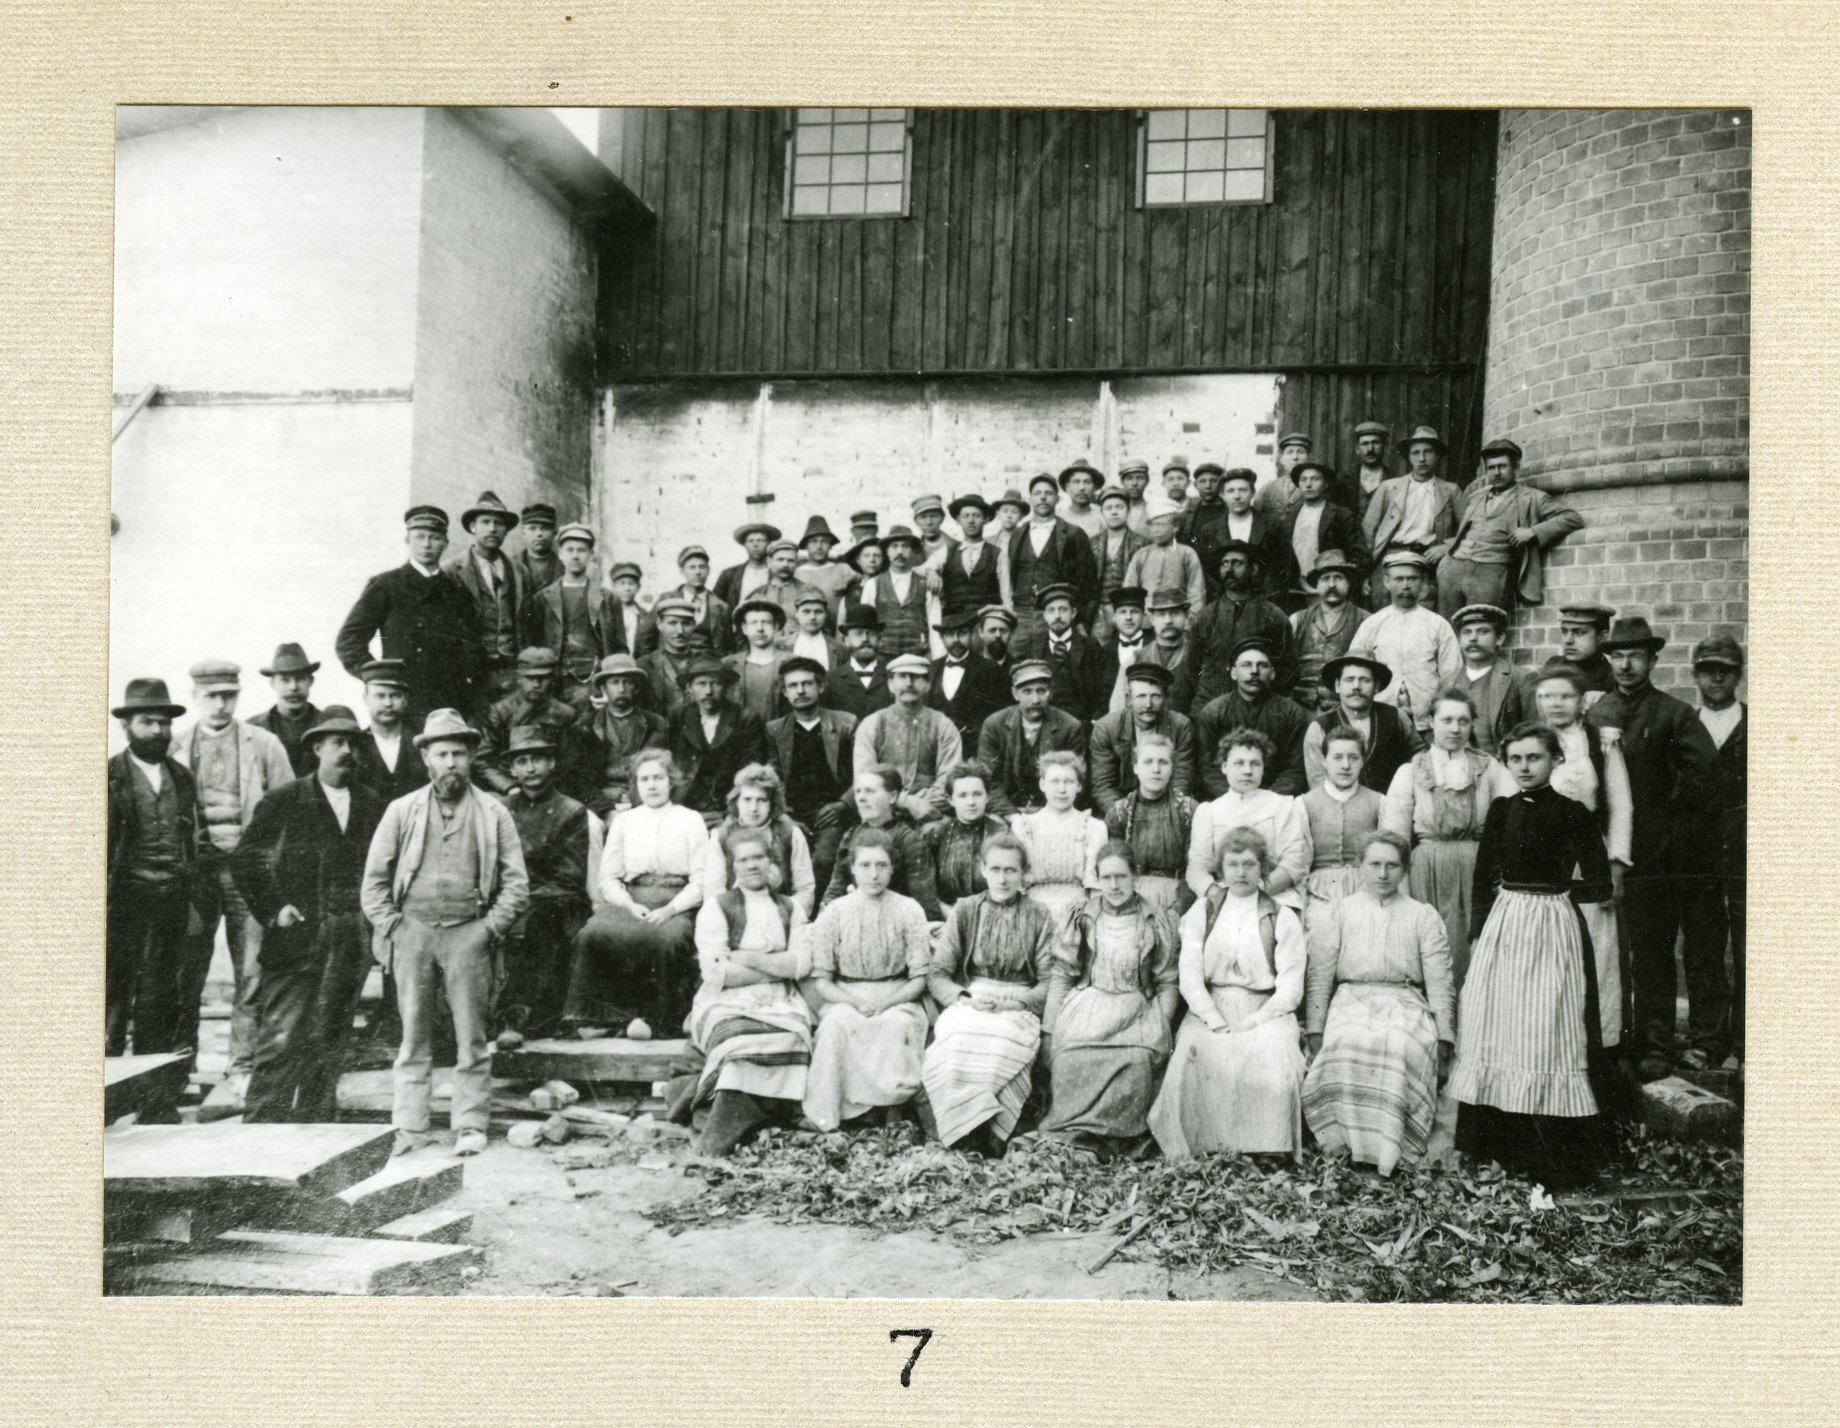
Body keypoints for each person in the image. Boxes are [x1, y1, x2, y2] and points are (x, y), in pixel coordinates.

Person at [1450, 722, 1617, 1189]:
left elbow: (1602, 882)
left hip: (1551, 928)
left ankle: (1550, 1154)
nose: (1525, 767)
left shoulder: (1574, 813)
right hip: (1506, 928)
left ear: (1555, 760)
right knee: (1499, 1024)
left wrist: (1557, 890)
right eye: (1516, 759)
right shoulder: (1501, 811)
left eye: (1534, 758)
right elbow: (1484, 875)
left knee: (1547, 1026)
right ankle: (1497, 1146)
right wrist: (1482, 932)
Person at [360, 708, 529, 1157]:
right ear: (427, 760)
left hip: (468, 933)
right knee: (413, 1035)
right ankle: (409, 1127)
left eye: (459, 753)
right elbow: (373, 882)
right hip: (412, 931)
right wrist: (394, 926)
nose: (451, 762)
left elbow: (516, 885)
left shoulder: (494, 813)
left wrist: (488, 928)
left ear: (472, 757)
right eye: (442, 754)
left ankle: (470, 1123)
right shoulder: (401, 811)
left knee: (471, 1036)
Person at [231, 707, 386, 1122]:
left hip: (350, 942)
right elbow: (245, 860)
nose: (347, 751)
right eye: (338, 742)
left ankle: (316, 1130)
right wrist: (273, 908)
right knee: (280, 1040)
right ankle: (262, 1133)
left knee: (330, 1039)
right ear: (317, 747)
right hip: (296, 942)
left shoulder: (372, 805)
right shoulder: (286, 799)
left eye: (354, 743)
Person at [1586, 615, 1724, 1077]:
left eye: (1635, 656)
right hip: (1617, 856)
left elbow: (1704, 777)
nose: (1625, 664)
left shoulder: (1673, 713)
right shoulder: (1597, 714)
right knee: (1627, 952)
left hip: (1669, 856)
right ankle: (1630, 1041)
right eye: (1617, 655)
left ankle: (1662, 1046)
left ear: (1652, 660)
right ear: (1608, 659)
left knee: (1665, 951)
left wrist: (1663, 823)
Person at [173, 659, 296, 1103]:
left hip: (250, 873)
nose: (222, 704)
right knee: (189, 968)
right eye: (212, 696)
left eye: (230, 695)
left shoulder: (263, 745)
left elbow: (288, 812)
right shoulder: (176, 747)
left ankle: (242, 1067)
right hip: (198, 876)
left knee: (253, 971)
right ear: (196, 697)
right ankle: (178, 1068)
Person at [1301, 830, 1454, 1175]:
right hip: (1351, 998)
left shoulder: (1422, 915)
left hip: (1405, 1001)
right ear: (1360, 867)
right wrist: (1315, 1028)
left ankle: (1392, 1151)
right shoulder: (1339, 912)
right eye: (1374, 865)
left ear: (1404, 870)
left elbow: (1440, 981)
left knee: (1399, 1045)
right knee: (1345, 1042)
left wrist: (1445, 1036)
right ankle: (1345, 1146)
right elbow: (1320, 976)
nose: (1383, 874)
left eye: (1392, 865)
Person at [1149, 826, 1307, 1159]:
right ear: (1221, 868)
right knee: (1194, 1051)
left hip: (1265, 1007)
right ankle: (1201, 1146)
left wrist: (1256, 1021)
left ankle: (1264, 1148)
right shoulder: (1203, 910)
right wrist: (1212, 1018)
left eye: (1249, 864)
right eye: (1233, 864)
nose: (1241, 872)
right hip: (1211, 1004)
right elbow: (1189, 973)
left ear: (1262, 868)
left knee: (1274, 1057)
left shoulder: (1280, 916)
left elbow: (1291, 986)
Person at [922, 833, 1058, 1159]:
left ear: (1024, 874)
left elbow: (1048, 980)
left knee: (1000, 1047)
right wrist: (963, 997)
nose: (1002, 878)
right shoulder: (966, 909)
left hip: (1017, 1003)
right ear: (983, 869)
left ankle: (991, 1132)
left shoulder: (1038, 914)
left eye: (1011, 870)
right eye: (995, 869)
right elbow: (938, 972)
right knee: (954, 1042)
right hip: (972, 998)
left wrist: (1016, 1003)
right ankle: (963, 1131)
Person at [681, 829, 814, 1155]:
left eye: (758, 857)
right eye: (743, 859)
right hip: (725, 996)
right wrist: (772, 965)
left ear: (771, 861)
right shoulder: (717, 908)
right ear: (732, 866)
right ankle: (727, 1122)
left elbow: (800, 964)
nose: (752, 865)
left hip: (779, 995)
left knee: (794, 1034)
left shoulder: (790, 908)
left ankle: (780, 1112)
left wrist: (749, 958)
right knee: (737, 1042)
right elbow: (716, 972)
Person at [1041, 842, 1181, 1148]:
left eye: (1121, 876)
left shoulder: (1154, 920)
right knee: (1070, 1055)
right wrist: (1049, 1029)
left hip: (1136, 1008)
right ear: (1097, 879)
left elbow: (1168, 982)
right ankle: (1077, 1132)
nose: (1114, 885)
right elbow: (1062, 975)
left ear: (1135, 876)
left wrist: (1160, 1020)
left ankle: (1119, 1137)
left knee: (1139, 1058)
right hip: (1089, 1003)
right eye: (1106, 878)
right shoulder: (1082, 916)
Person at [563, 747, 708, 1042]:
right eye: (644, 780)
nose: (652, 785)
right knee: (593, 934)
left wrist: (670, 910)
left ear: (672, 782)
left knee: (663, 939)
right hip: (632, 897)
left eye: (658, 778)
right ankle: (599, 1018)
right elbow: (608, 878)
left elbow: (701, 880)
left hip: (675, 898)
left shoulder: (690, 819)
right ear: (636, 785)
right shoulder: (624, 822)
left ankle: (652, 1019)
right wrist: (628, 904)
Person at [107, 678, 203, 1118]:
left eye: (164, 723)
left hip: (169, 901)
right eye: (148, 721)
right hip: (122, 900)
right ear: (128, 725)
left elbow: (191, 841)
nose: (158, 731)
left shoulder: (182, 777)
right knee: (112, 996)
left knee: (160, 998)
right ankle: (102, 1100)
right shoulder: (108, 775)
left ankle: (153, 1101)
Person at [1382, 687, 1517, 988]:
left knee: (1478, 950)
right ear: (1430, 721)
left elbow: (1512, 823)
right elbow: (1395, 837)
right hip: (1427, 870)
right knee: (1433, 949)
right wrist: (1399, 890)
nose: (1456, 729)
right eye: (1447, 720)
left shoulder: (1490, 768)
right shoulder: (1410, 771)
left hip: (1479, 870)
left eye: (1463, 721)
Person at [802, 829, 934, 1131]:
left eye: (881, 866)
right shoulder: (834, 913)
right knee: (837, 1026)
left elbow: (919, 978)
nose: (873, 874)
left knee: (896, 1026)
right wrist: (853, 1001)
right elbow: (822, 980)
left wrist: (888, 1002)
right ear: (852, 868)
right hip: (846, 993)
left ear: (892, 868)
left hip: (899, 994)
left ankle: (890, 1109)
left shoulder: (908, 909)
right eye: (865, 866)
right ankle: (836, 1114)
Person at [1531, 660, 1632, 1052]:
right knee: (1544, 952)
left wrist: (1616, 868)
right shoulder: (1528, 741)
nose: (1555, 704)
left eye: (1564, 696)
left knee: (1595, 953)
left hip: (1589, 858)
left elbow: (1621, 806)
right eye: (1546, 696)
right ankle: (1548, 1045)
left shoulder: (1599, 741)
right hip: (1540, 862)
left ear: (1581, 701)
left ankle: (1598, 1050)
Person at [493, 725, 600, 1052]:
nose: (530, 767)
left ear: (551, 764)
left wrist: (519, 903)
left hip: (556, 901)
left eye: (538, 759)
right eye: (522, 761)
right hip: (510, 898)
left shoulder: (571, 811)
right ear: (512, 769)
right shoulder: (501, 809)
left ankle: (519, 1017)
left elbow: (567, 877)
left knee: (541, 924)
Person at [336, 505, 484, 726]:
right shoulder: (387, 585)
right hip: (403, 703)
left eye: (434, 538)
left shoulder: (456, 591)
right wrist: (381, 679)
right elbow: (349, 643)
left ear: (445, 543)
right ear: (407, 541)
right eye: (419, 537)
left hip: (448, 705)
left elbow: (472, 647)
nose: (426, 544)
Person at [1439, 437, 1584, 614]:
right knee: (1448, 628)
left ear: (1516, 468)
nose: (1497, 473)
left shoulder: (1532, 498)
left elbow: (1572, 517)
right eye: (1491, 468)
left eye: (1502, 466)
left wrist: (1532, 532)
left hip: (1490, 572)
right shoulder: (1475, 499)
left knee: (1482, 626)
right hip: (1453, 569)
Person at [1689, 635, 1746, 1065]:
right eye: (1708, 669)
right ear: (1695, 676)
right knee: (1705, 945)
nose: (1716, 677)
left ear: (1738, 675)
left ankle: (1746, 1041)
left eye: (1724, 669)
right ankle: (1708, 1039)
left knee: (1751, 945)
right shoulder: (1684, 725)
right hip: (1701, 850)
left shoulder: (1756, 724)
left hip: (1748, 846)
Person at [1186, 728, 1311, 910]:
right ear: (1224, 767)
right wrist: (1216, 894)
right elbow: (1197, 867)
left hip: (1273, 895)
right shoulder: (1209, 812)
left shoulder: (1283, 806)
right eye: (1239, 763)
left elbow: (1293, 864)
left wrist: (1255, 893)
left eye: (1255, 764)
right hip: (1222, 898)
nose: (1247, 771)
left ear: (1263, 768)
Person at [765, 657, 856, 891]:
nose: (801, 690)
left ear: (821, 687)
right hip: (791, 814)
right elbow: (771, 780)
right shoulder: (775, 730)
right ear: (785, 692)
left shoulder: (845, 723)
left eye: (807, 683)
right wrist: (784, 815)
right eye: (793, 686)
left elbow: (861, 771)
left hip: (832, 813)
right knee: (781, 864)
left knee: (824, 861)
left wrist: (843, 805)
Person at [1348, 551, 1462, 733]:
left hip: (1428, 724)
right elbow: (1355, 672)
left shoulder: (1438, 625)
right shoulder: (1372, 624)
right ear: (1386, 581)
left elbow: (1452, 676)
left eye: (1412, 579)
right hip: (1380, 722)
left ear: (1422, 582)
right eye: (1399, 579)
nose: (1406, 585)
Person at [819, 766, 943, 920]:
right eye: (858, 791)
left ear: (892, 797)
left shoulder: (909, 840)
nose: (861, 798)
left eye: (870, 791)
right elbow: (835, 889)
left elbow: (925, 905)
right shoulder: (851, 836)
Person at [1298, 724, 1390, 930]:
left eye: (1353, 758)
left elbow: (1388, 855)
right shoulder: (1304, 804)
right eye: (1337, 757)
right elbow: (1299, 863)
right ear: (1324, 761)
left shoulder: (1379, 802)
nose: (1346, 765)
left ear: (1362, 761)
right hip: (1319, 893)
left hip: (1367, 889)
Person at [1193, 638, 1311, 798]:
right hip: (1228, 801)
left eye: (1262, 665)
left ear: (1273, 673)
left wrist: (1266, 801)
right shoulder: (1214, 712)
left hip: (1274, 802)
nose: (1254, 671)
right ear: (1233, 672)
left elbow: (1295, 768)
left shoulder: (1293, 714)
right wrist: (1235, 799)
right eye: (1246, 665)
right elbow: (1208, 769)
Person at [1189, 540, 1298, 709]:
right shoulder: (1204, 617)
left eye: (1237, 563)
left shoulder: (1273, 616)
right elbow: (1191, 668)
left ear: (1253, 569)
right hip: (1210, 707)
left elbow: (1288, 667)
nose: (1229, 569)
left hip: (1257, 706)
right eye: (1224, 564)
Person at [853, 653, 960, 822]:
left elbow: (949, 781)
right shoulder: (872, 724)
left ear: (928, 684)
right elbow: (864, 780)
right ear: (890, 684)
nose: (909, 683)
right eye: (902, 676)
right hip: (882, 814)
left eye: (916, 677)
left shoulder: (943, 725)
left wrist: (923, 804)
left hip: (930, 815)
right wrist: (906, 802)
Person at [445, 491, 530, 704]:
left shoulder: (519, 571)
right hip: (473, 673)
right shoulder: (451, 571)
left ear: (506, 531)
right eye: (485, 522)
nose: (492, 528)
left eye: (498, 523)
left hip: (513, 673)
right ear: (473, 527)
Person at [666, 654, 770, 826]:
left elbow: (752, 767)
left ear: (726, 687)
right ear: (689, 688)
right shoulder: (678, 716)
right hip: (686, 804)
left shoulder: (745, 718)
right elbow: (667, 761)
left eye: (716, 684)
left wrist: (731, 810)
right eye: (701, 684)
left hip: (727, 807)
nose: (708, 691)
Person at [1102, 731, 1197, 919]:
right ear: (1136, 767)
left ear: (1172, 767)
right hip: (1131, 899)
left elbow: (1195, 869)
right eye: (1148, 762)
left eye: (1163, 762)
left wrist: (1177, 910)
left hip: (1177, 897)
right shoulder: (1120, 812)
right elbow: (1113, 869)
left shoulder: (1189, 811)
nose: (1156, 769)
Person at [475, 647, 592, 799]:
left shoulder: (565, 714)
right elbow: (482, 760)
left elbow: (570, 764)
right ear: (519, 678)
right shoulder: (500, 711)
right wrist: (509, 787)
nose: (536, 684)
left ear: (552, 679)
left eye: (543, 678)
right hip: (510, 787)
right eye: (530, 678)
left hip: (553, 789)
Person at [976, 659, 1087, 819]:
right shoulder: (995, 725)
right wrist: (1013, 817)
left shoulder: (1069, 727)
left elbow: (1074, 781)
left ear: (1051, 692)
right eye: (1027, 691)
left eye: (1041, 691)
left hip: (1054, 812)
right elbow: (988, 782)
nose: (1035, 700)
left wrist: (1045, 817)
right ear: (1015, 693)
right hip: (1006, 813)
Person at [1363, 425, 1460, 610]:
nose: (1422, 458)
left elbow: (1469, 530)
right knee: (1384, 613)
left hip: (1426, 559)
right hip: (1390, 557)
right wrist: (1366, 573)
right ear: (1409, 457)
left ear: (1438, 455)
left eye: (1428, 452)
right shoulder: (1389, 488)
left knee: (1423, 611)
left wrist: (1444, 547)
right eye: (1416, 453)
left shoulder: (1451, 491)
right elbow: (1369, 530)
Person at [702, 762, 817, 916]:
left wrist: (782, 913)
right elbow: (713, 895)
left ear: (772, 804)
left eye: (761, 800)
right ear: (737, 801)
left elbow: (805, 890)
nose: (754, 808)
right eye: (747, 799)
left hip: (782, 919)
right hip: (736, 921)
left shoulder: (791, 834)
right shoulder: (721, 837)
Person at [1011, 751, 1108, 925]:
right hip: (1031, 914)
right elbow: (1017, 885)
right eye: (1055, 781)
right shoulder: (1024, 826)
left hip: (1078, 914)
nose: (1062, 789)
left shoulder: (1093, 828)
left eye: (1069, 782)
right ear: (1042, 784)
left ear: (1078, 786)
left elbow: (1095, 887)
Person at [1302, 654, 1422, 794]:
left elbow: (1419, 756)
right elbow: (1318, 783)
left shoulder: (1396, 717)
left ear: (1376, 686)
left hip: (1393, 806)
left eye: (1365, 680)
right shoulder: (1320, 727)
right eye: (1349, 680)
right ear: (1337, 685)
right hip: (1340, 809)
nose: (1356, 687)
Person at [1088, 662, 1197, 815]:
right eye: (1141, 696)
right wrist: (1123, 814)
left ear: (1166, 698)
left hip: (1167, 807)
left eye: (1156, 696)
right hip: (1122, 807)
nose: (1148, 704)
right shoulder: (1106, 728)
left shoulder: (1180, 726)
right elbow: (1103, 784)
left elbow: (1182, 779)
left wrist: (1164, 813)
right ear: (1129, 699)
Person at [524, 524, 616, 704]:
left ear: (590, 554)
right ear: (560, 554)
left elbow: (618, 646)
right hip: (553, 681)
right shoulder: (542, 598)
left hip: (593, 679)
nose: (575, 555)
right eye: (570, 549)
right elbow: (534, 643)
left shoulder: (608, 598)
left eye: (581, 550)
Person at [1006, 471, 1099, 646]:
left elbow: (1088, 581)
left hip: (1056, 615)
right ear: (1030, 499)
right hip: (1022, 614)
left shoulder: (1073, 533)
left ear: (1057, 499)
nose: (1043, 498)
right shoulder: (1018, 534)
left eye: (1048, 493)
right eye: (1037, 494)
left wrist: (1078, 620)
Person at [581, 653, 669, 817]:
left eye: (627, 682)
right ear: (603, 688)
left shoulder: (655, 723)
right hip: (601, 804)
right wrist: (605, 810)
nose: (621, 689)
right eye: (614, 682)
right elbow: (578, 780)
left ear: (635, 688)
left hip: (646, 799)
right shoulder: (584, 727)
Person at [1275, 461, 1367, 614]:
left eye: (1315, 479)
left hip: (1328, 588)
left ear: (1326, 484)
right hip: (1295, 589)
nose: (1308, 484)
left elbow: (1359, 553)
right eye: (1304, 480)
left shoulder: (1341, 515)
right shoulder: (1289, 517)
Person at [922, 761, 1011, 915]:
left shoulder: (1001, 834)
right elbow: (926, 889)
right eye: (962, 795)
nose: (971, 802)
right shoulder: (936, 835)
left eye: (977, 794)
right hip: (946, 918)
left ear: (988, 796)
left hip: (994, 916)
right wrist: (950, 916)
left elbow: (1009, 886)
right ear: (950, 799)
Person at [1013, 582, 1109, 722]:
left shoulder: (1090, 647)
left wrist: (1095, 719)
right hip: (1043, 721)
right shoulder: (1033, 647)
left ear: (1073, 613)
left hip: (1082, 721)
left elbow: (1103, 689)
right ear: (1044, 615)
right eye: (1051, 610)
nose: (1057, 616)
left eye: (1063, 609)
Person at [1288, 550, 1370, 710]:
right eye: (1326, 578)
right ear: (1317, 584)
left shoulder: (1366, 620)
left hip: (1345, 707)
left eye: (1338, 578)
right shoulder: (1297, 619)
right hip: (1300, 706)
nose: (1332, 585)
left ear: (1349, 582)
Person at [927, 607, 1010, 748]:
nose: (956, 640)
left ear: (972, 634)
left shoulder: (989, 668)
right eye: (949, 634)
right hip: (938, 746)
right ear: (942, 638)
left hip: (975, 747)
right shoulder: (932, 668)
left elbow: (996, 715)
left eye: (962, 633)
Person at [1452, 604, 1527, 756]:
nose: (1473, 638)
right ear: (1459, 640)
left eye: (1482, 631)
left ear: (1499, 638)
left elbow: (1535, 734)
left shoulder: (1520, 679)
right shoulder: (1448, 683)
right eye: (1467, 632)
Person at [353, 659, 430, 802]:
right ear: (366, 699)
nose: (388, 703)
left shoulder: (422, 741)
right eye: (380, 696)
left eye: (395, 695)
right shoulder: (356, 746)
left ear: (406, 699)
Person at [1122, 491, 1207, 618]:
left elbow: (1196, 593)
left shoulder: (1187, 553)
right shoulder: (1141, 555)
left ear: (1175, 527)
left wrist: (1190, 621)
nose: (1155, 530)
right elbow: (1129, 590)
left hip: (1178, 618)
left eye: (1161, 525)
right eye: (1152, 525)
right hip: (1146, 618)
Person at [248, 642, 323, 776]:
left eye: (300, 678)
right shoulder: (252, 729)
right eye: (285, 680)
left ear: (311, 681)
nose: (293, 687)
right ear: (272, 683)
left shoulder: (327, 724)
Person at [1090, 484, 1150, 642]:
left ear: (1128, 510)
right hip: (1100, 610)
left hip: (1130, 609)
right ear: (1102, 512)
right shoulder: (1092, 543)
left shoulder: (1142, 543)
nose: (1114, 512)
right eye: (1108, 508)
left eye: (1119, 507)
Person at [862, 525, 931, 660]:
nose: (900, 551)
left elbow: (934, 622)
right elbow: (865, 625)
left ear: (913, 551)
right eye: (894, 546)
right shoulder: (873, 584)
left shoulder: (926, 584)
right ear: (887, 551)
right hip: (882, 656)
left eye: (905, 546)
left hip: (918, 655)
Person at [937, 494, 1010, 617]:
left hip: (986, 621)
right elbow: (919, 570)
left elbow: (1006, 595)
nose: (971, 521)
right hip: (955, 623)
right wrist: (930, 571)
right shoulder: (947, 552)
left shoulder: (998, 554)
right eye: (966, 516)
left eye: (976, 516)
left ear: (985, 520)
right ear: (958, 520)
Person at [654, 545, 734, 657]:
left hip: (708, 665)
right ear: (682, 571)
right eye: (692, 567)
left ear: (708, 570)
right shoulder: (666, 600)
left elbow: (728, 646)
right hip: (672, 663)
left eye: (702, 567)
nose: (698, 572)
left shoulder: (721, 607)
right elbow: (647, 638)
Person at [1141, 584, 1201, 716]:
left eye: (1175, 613)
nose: (1168, 620)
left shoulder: (1199, 656)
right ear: (1152, 619)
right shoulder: (1137, 658)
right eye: (1161, 614)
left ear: (1186, 616)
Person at [725, 598, 788, 723]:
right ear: (744, 628)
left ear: (776, 627)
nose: (760, 628)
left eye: (766, 622)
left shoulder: (790, 662)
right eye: (753, 623)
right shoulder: (728, 664)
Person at [1095, 584, 1154, 715]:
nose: (1128, 617)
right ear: (1114, 617)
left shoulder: (1153, 646)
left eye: (1134, 611)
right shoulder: (1104, 652)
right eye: (1123, 612)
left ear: (1143, 616)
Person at [826, 604, 893, 720]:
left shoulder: (893, 676)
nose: (865, 639)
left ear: (879, 640)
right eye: (858, 633)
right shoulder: (830, 680)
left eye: (871, 633)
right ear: (845, 640)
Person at [637, 598, 701, 720]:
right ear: (659, 624)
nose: (680, 631)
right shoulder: (644, 666)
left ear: (694, 625)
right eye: (672, 623)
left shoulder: (706, 662)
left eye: (686, 623)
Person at [793, 515, 856, 623]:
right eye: (814, 541)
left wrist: (848, 580)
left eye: (824, 541)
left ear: (830, 545)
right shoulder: (797, 573)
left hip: (838, 627)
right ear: (806, 545)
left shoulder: (842, 568)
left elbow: (862, 577)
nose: (819, 546)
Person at [1254, 430, 1315, 527]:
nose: (1295, 457)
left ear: (1309, 457)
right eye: (1290, 452)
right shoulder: (1267, 489)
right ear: (1282, 459)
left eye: (1300, 452)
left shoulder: (1318, 488)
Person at [1557, 602, 1618, 698]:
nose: (1568, 640)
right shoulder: (1553, 665)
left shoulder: (1613, 679)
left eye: (1579, 633)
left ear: (1601, 637)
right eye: (1564, 632)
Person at [714, 521, 777, 612]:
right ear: (745, 545)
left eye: (760, 540)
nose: (755, 545)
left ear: (769, 544)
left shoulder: (777, 573)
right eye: (751, 541)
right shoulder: (729, 574)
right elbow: (716, 604)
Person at [785, 586, 847, 674]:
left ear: (826, 614)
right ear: (797, 613)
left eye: (818, 612)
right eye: (806, 611)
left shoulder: (839, 649)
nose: (812, 617)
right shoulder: (781, 646)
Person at [603, 561, 658, 658]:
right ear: (613, 586)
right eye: (622, 583)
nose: (627, 588)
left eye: (631, 583)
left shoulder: (646, 617)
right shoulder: (605, 614)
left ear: (638, 587)